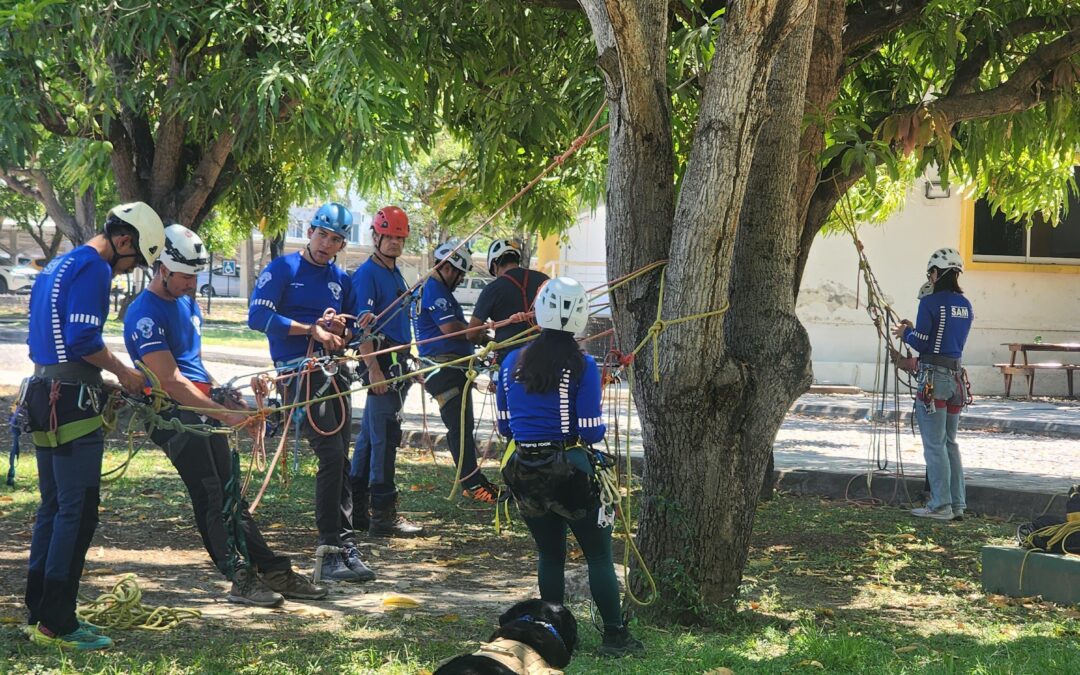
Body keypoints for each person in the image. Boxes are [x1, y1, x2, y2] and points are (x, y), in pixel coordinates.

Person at [125, 224, 327, 607]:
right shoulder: (144, 314)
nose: (192, 284)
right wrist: (225, 416)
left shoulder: (186, 302)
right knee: (212, 495)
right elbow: (169, 380)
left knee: (230, 496)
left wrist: (226, 398)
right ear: (162, 269)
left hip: (202, 407)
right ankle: (240, 577)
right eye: (185, 276)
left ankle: (271, 570)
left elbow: (193, 367)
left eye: (195, 276)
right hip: (175, 416)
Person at [23, 202, 165, 650]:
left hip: (43, 391)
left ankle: (39, 609)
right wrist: (123, 372)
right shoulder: (95, 269)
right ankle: (58, 622)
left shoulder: (59, 264)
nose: (128, 270)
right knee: (78, 511)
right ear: (124, 241)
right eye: (134, 260)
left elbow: (55, 341)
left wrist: (101, 377)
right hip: (70, 403)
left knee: (53, 507)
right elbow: (84, 340)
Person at [496, 277, 644, 658]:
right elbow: (591, 431)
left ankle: (554, 633)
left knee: (549, 555)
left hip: (524, 470)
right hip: (570, 470)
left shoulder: (511, 360)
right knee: (598, 556)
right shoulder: (583, 365)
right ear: (580, 317)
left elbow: (504, 427)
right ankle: (614, 636)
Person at [249, 202, 375, 582]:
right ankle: (328, 549)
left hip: (333, 373)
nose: (326, 244)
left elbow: (351, 332)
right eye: (322, 235)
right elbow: (258, 317)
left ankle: (345, 544)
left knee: (343, 460)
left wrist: (347, 328)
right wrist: (310, 330)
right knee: (332, 455)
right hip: (297, 374)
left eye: (335, 239)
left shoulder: (342, 279)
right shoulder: (282, 269)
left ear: (341, 244)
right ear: (309, 233)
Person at [349, 206, 424, 537]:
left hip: (397, 361)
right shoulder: (368, 275)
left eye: (399, 237)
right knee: (385, 439)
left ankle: (356, 511)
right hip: (380, 363)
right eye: (388, 236)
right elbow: (362, 328)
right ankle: (382, 514)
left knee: (369, 437)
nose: (394, 242)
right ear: (375, 236)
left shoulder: (394, 273)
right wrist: (374, 369)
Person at [414, 239, 500, 503]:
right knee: (459, 428)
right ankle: (472, 484)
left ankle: (473, 480)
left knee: (463, 426)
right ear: (450, 269)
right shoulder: (435, 290)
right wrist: (478, 334)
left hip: (452, 367)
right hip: (443, 369)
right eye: (460, 274)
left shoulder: (440, 291)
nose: (460, 280)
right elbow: (451, 330)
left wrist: (482, 339)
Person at [892, 247, 973, 521]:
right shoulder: (966, 306)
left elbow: (923, 341)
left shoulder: (930, 303)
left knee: (935, 444)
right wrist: (913, 332)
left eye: (931, 273)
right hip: (956, 379)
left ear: (937, 273)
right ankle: (957, 503)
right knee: (950, 442)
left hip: (933, 381)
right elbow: (943, 339)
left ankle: (940, 505)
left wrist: (906, 332)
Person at [467, 239, 549, 364]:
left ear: (495, 265)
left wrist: (488, 342)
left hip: (508, 361)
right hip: (544, 358)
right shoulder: (544, 280)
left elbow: (471, 334)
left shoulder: (492, 289)